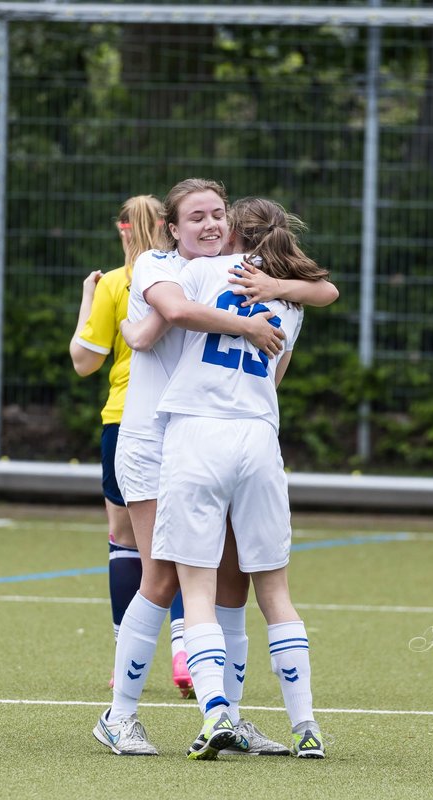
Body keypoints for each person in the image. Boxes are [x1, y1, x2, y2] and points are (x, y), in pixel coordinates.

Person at [92, 178, 297, 757]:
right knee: (162, 578)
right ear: (172, 228)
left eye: (217, 215)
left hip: (209, 443)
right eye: (196, 217)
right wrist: (250, 324)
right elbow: (176, 312)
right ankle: (120, 716)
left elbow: (316, 291)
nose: (209, 225)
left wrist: (279, 293)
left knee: (231, 581)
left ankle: (226, 718)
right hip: (153, 443)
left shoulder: (232, 271)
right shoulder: (157, 267)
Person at [150, 197, 332, 759]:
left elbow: (158, 316)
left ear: (232, 234)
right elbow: (278, 372)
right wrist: (283, 289)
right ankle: (306, 727)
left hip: (199, 435)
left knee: (197, 587)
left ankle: (215, 715)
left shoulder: (198, 272)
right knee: (274, 591)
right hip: (258, 439)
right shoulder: (290, 305)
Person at [69, 195, 194, 697]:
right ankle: (186, 647)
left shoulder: (119, 282)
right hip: (185, 416)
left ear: (124, 231)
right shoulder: (188, 275)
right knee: (185, 536)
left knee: (125, 540)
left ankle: (127, 657)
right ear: (170, 227)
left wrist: (87, 295)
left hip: (127, 421)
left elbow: (84, 360)